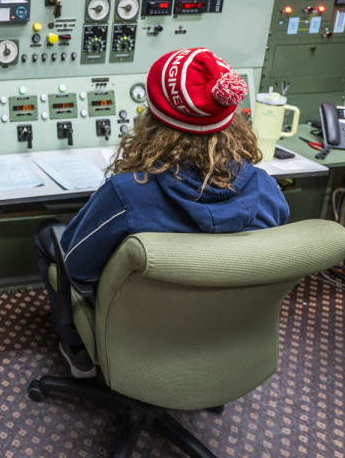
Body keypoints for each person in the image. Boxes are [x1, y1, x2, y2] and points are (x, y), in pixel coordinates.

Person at [35, 47, 290, 377]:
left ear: (152, 120)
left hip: (139, 328)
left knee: (48, 237)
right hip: (221, 328)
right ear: (233, 121)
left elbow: (76, 266)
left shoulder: (128, 193)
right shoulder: (266, 188)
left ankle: (77, 348)